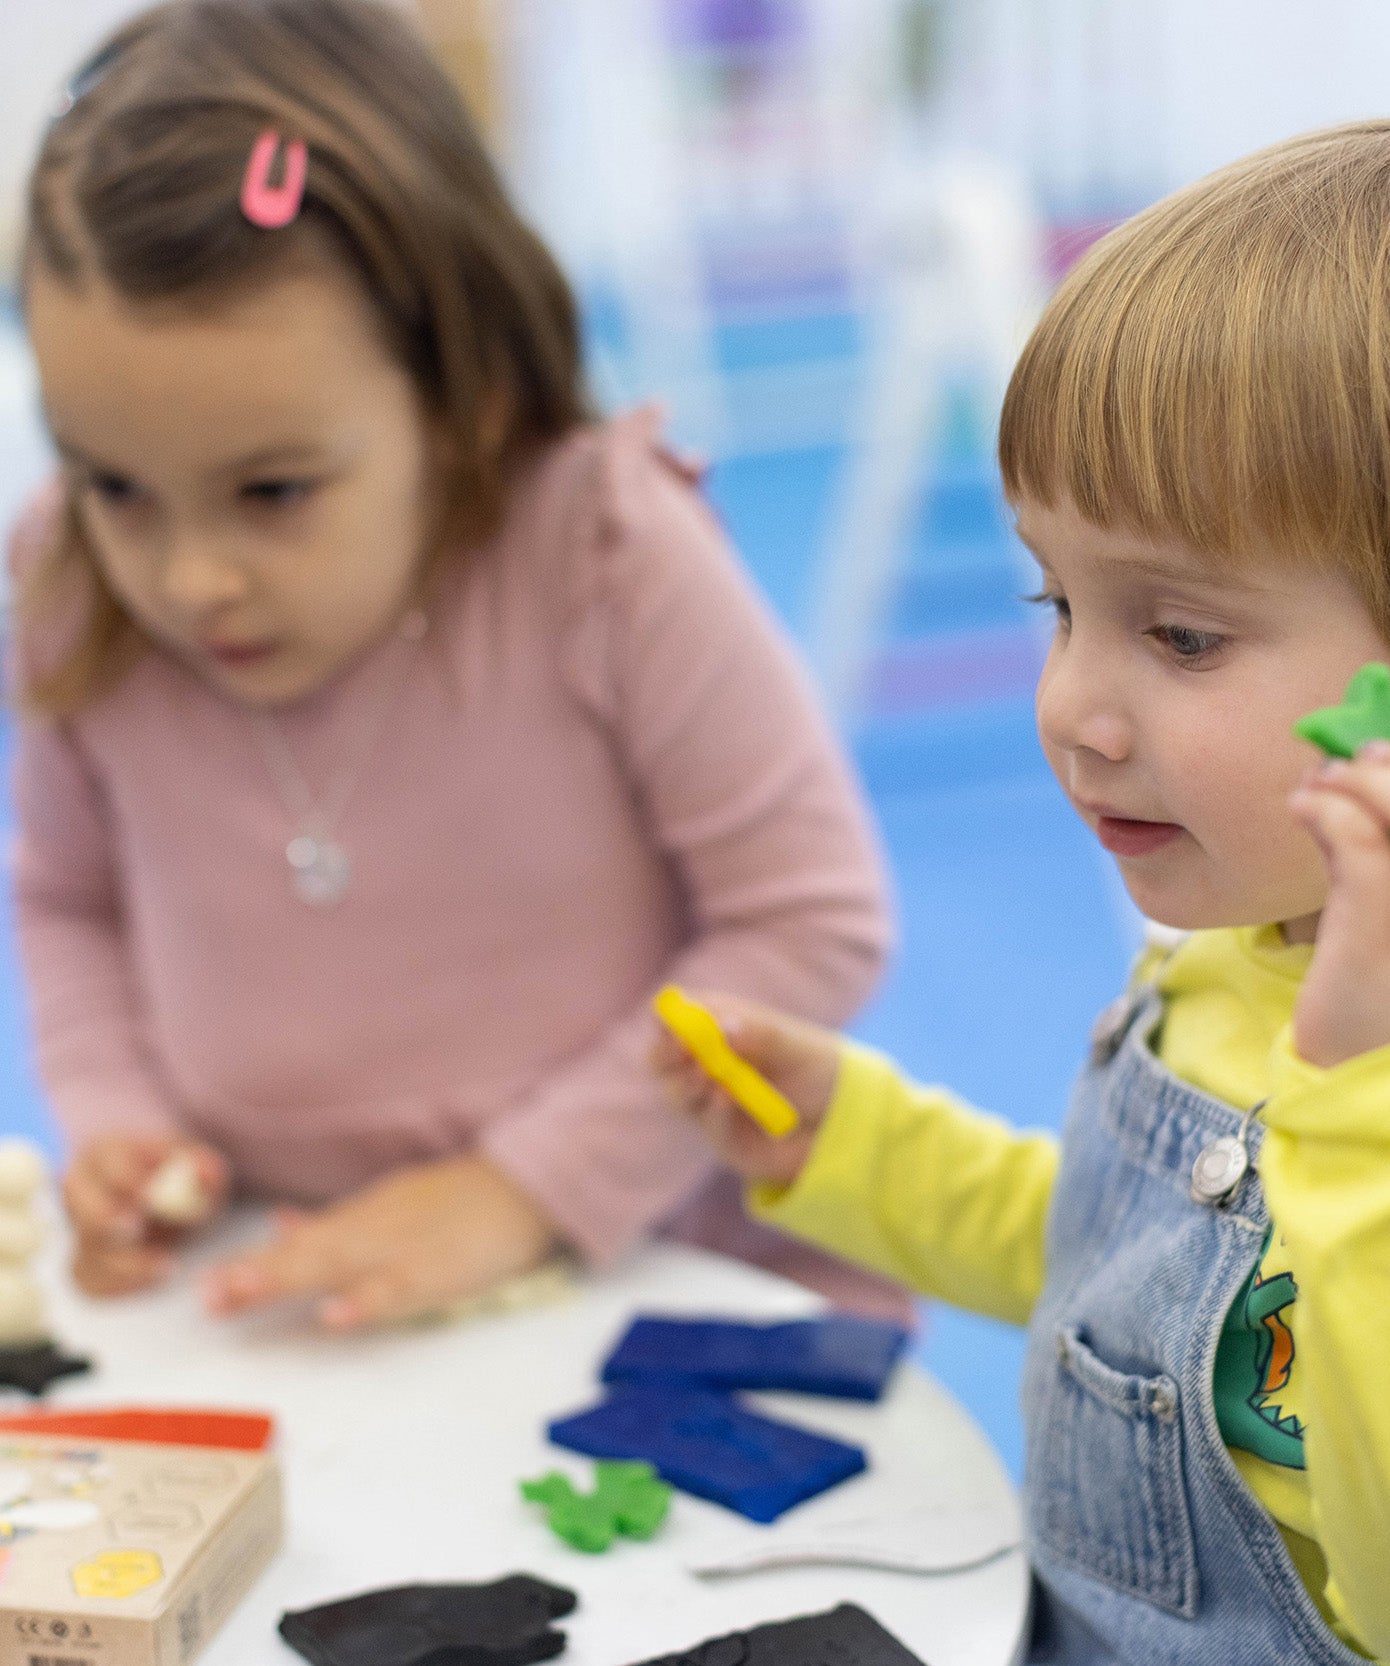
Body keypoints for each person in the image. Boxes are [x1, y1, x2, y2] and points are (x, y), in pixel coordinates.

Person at [10, 0, 902, 1333]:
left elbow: (808, 918)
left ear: (461, 397)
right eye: (115, 483)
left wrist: (517, 1188)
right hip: (285, 1287)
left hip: (660, 1278)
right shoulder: (72, 585)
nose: (188, 576)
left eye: (272, 489)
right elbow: (68, 902)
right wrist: (121, 1119)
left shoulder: (602, 549)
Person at [655, 123, 1390, 1664]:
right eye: (1055, 602)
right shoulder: (1229, 954)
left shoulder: (1353, 1062)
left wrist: (1352, 1111)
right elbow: (1116, 1276)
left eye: (1180, 635)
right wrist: (850, 1142)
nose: (1072, 705)